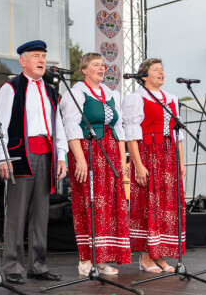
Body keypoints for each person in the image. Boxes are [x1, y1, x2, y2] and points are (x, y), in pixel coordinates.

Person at [0, 40, 68, 284]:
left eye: (43, 57)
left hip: (46, 153)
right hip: (21, 154)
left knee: (41, 213)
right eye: (36, 56)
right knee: (16, 214)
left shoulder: (50, 90)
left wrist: (61, 154)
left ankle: (38, 265)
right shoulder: (11, 87)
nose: (41, 61)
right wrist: (3, 157)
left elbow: (58, 125)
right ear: (23, 61)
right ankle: (14, 267)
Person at [60, 53, 131, 276]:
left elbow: (119, 130)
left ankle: (102, 259)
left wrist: (122, 160)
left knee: (108, 207)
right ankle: (85, 259)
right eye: (95, 65)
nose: (102, 68)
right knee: (89, 204)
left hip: (109, 153)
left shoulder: (111, 94)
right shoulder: (76, 92)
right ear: (84, 69)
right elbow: (70, 126)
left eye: (103, 65)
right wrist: (80, 159)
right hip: (88, 151)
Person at [122, 58, 186, 273]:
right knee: (149, 205)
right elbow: (131, 134)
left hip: (168, 156)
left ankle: (160, 254)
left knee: (167, 205)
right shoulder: (136, 98)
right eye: (156, 70)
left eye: (162, 69)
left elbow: (178, 134)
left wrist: (181, 162)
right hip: (147, 154)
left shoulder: (171, 99)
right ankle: (146, 256)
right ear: (144, 76)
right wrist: (138, 165)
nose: (162, 73)